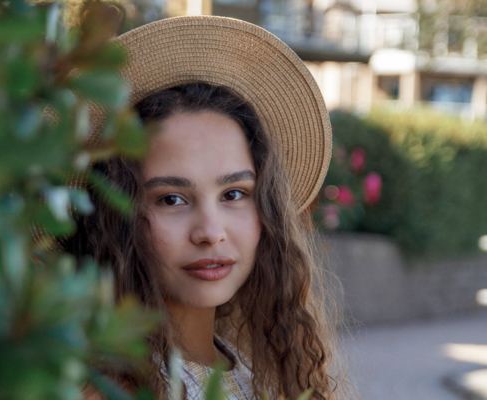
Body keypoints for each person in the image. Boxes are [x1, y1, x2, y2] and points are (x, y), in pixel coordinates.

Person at [59, 16, 346, 400]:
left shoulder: (259, 376)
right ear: (114, 216)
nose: (211, 231)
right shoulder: (103, 389)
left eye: (233, 194)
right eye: (171, 199)